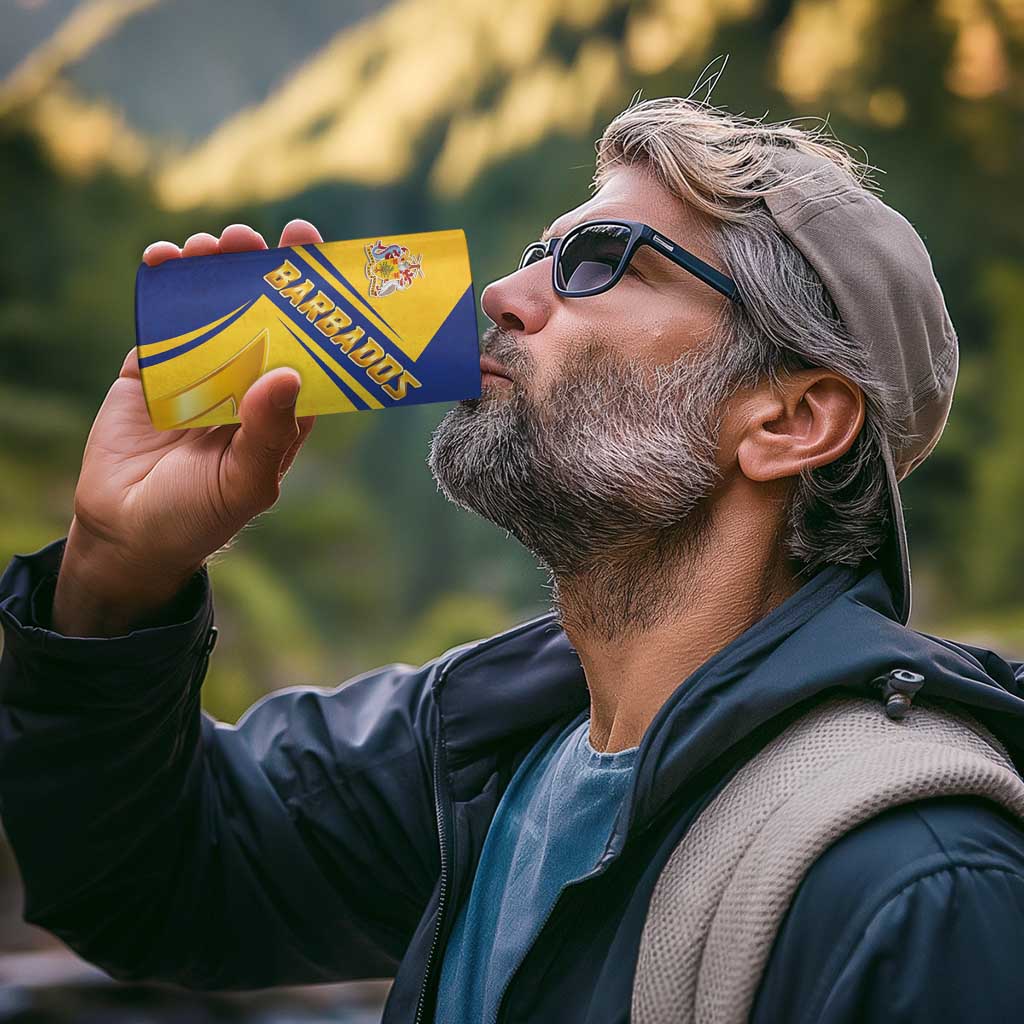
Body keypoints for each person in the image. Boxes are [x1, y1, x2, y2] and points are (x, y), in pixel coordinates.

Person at [2, 95, 1024, 1024]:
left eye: (600, 261)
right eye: (540, 252)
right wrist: (116, 571)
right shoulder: (479, 750)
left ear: (791, 419)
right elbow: (148, 880)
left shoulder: (918, 884)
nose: (501, 292)